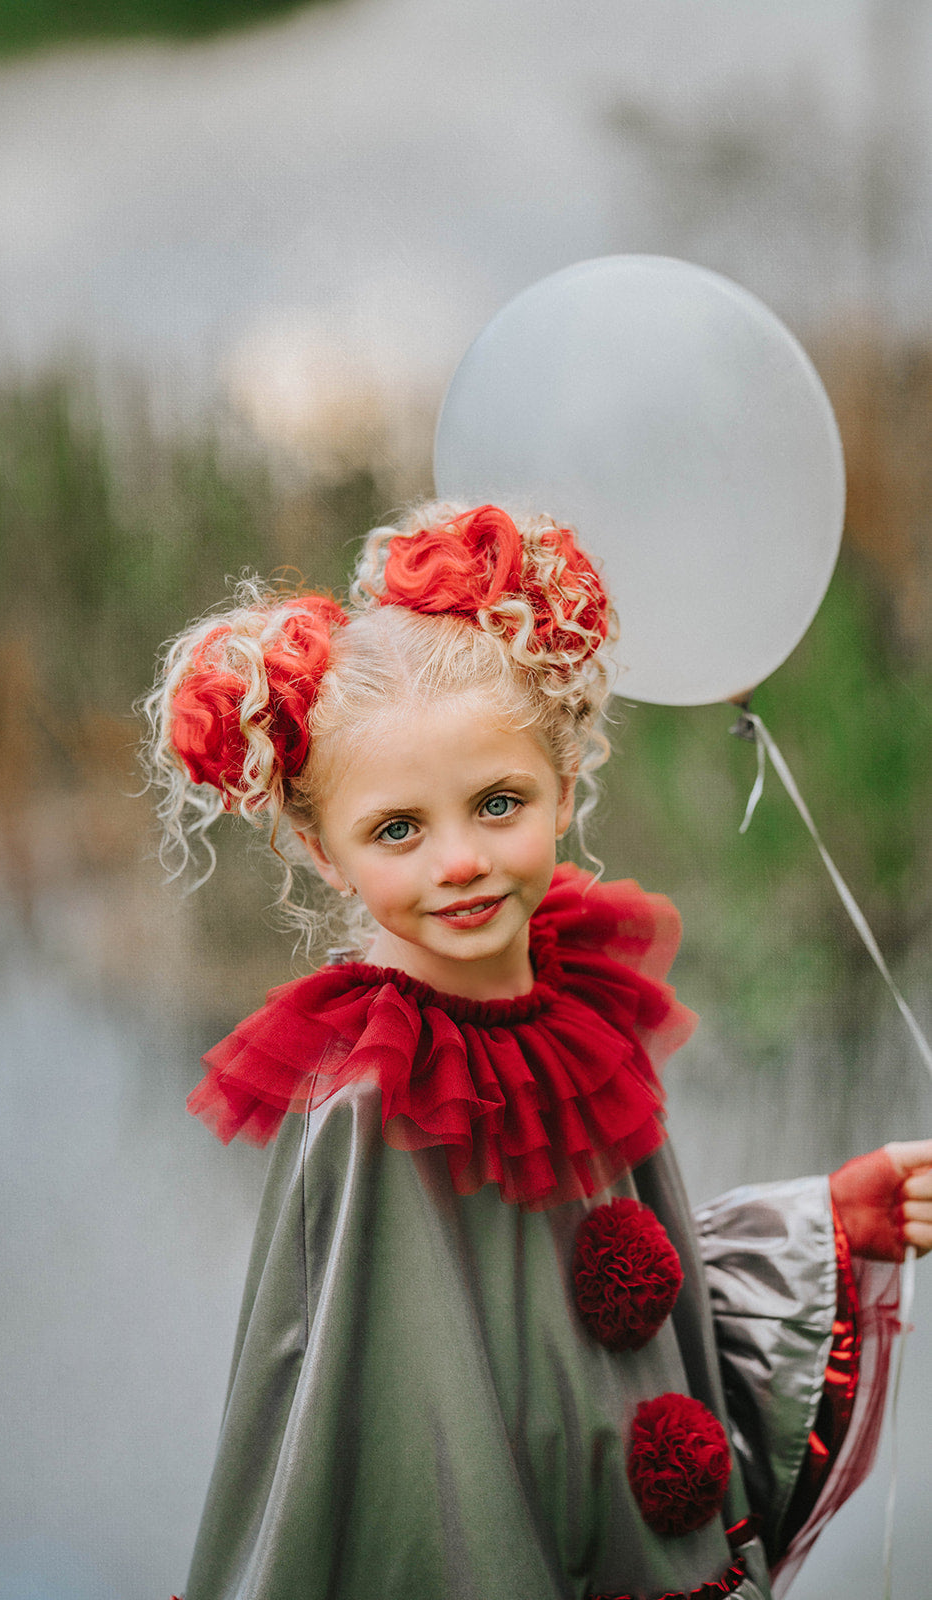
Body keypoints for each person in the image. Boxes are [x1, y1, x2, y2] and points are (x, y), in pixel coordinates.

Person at [144, 503, 932, 1600]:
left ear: (564, 788)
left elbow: (629, 1309)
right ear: (324, 851)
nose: (459, 860)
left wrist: (827, 1222)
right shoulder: (368, 1102)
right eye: (397, 830)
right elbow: (377, 1453)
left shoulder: (578, 1014)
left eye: (498, 803)